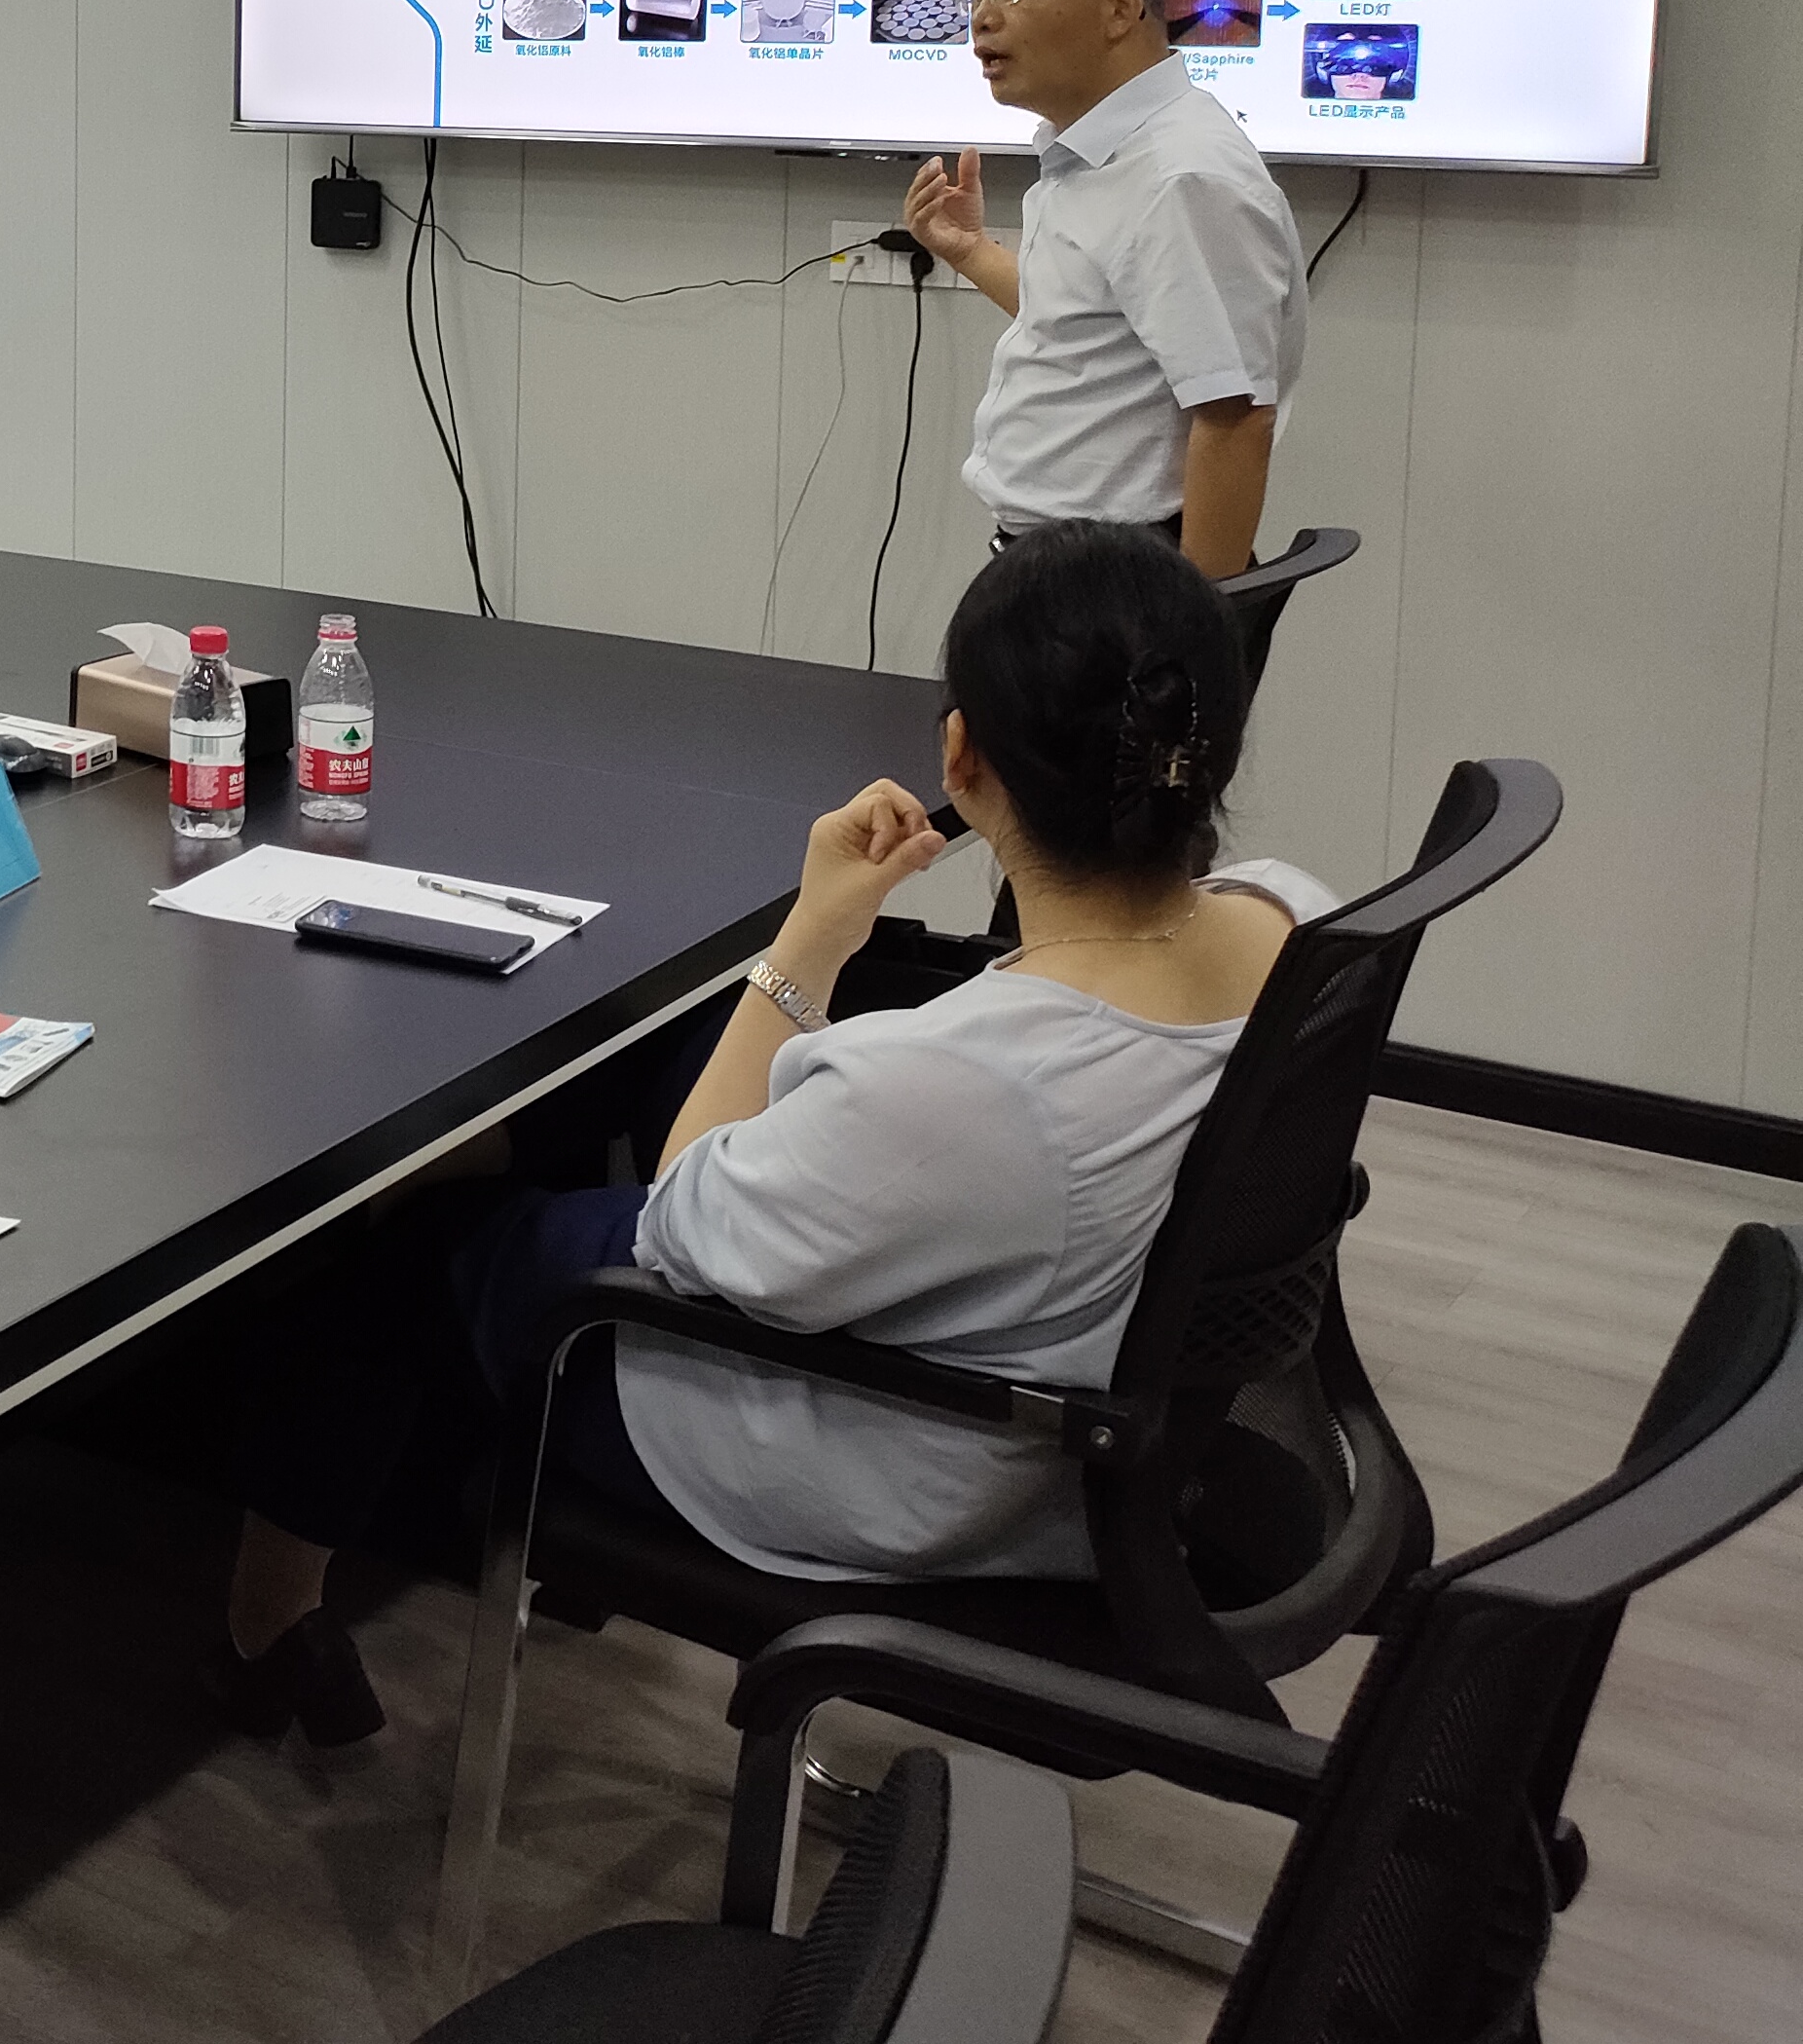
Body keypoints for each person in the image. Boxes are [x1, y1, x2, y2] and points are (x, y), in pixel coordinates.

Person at [215, 523, 1332, 1745]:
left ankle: (271, 1619)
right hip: (1079, 1373)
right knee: (675, 1042)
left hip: (906, 1459)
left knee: (413, 1248)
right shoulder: (1298, 924)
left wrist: (811, 938)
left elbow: (682, 1226)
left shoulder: (964, 1076)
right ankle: (482, 1165)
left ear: (959, 755)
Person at [901, 0, 1306, 578]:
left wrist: (1192, 628)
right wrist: (970, 251)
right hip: (1061, 567)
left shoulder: (1179, 175)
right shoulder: (1098, 151)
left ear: (1121, 7)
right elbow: (1094, 326)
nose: (983, 17)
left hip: (1128, 581)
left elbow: (1236, 421)